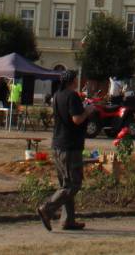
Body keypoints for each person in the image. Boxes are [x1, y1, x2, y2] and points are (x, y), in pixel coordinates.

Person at [37, 69, 93, 232]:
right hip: (70, 146)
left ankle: (68, 220)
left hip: (58, 144)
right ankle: (47, 209)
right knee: (74, 184)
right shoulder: (72, 96)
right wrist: (88, 110)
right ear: (72, 81)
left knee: (65, 184)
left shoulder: (57, 96)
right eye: (76, 78)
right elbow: (77, 119)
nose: (78, 80)